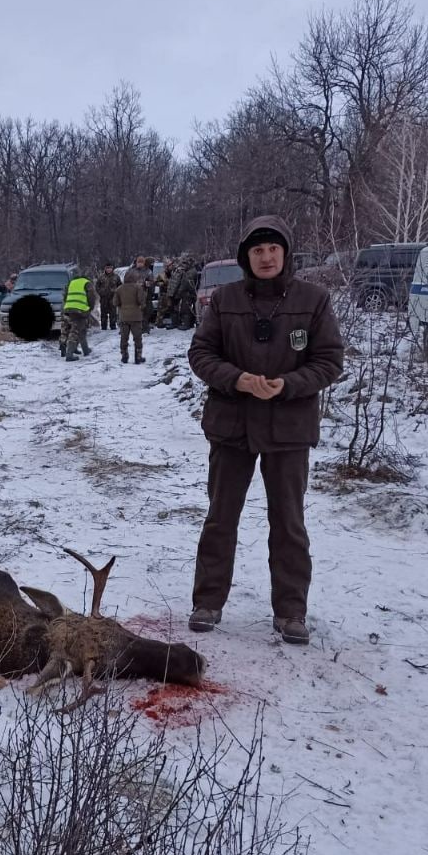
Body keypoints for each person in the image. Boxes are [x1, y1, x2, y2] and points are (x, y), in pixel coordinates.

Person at [186, 216, 344, 646]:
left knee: (289, 522)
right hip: (231, 428)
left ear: (285, 253)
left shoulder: (313, 300)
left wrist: (287, 385)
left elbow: (329, 360)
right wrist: (237, 379)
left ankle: (291, 611)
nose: (266, 257)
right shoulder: (224, 299)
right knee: (220, 518)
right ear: (246, 258)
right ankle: (207, 602)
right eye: (257, 251)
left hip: (288, 429)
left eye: (273, 248)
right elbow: (201, 353)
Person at [62, 271, 96, 361]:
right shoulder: (87, 283)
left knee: (81, 328)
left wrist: (69, 304)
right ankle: (69, 354)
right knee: (75, 330)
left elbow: (65, 295)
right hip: (79, 310)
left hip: (68, 308)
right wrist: (90, 308)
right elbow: (92, 297)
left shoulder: (71, 282)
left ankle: (86, 350)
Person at [116, 268, 147, 364]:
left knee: (124, 338)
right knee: (137, 338)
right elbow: (141, 301)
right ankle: (138, 357)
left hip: (123, 317)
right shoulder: (138, 288)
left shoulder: (119, 289)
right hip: (136, 317)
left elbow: (115, 302)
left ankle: (124, 356)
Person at [96, 262, 120, 331]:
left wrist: (116, 292)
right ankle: (104, 327)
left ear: (112, 268)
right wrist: (101, 292)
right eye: (107, 268)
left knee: (113, 312)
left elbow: (120, 285)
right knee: (103, 313)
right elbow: (97, 286)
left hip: (113, 297)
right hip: (104, 298)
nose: (109, 269)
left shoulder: (116, 276)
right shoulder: (101, 277)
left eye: (110, 268)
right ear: (105, 269)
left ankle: (113, 326)